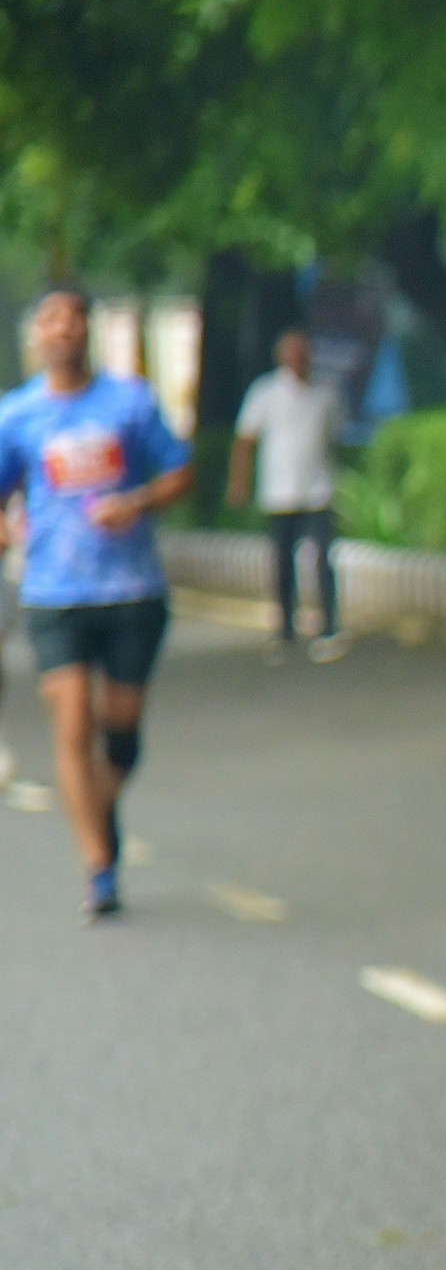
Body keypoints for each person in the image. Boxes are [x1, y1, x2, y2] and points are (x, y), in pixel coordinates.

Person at [0, 284, 194, 921]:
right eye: (51, 319)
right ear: (36, 334)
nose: (63, 328)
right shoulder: (16, 415)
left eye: (75, 317)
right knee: (73, 723)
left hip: (132, 591)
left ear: (88, 330)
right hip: (54, 594)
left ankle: (97, 805)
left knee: (121, 737)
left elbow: (179, 472)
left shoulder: (129, 402)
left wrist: (135, 503)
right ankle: (99, 869)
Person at [228, 326, 348, 660]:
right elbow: (246, 440)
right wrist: (239, 482)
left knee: (323, 559)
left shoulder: (326, 392)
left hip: (318, 488)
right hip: (280, 490)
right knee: (282, 561)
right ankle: (284, 629)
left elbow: (334, 436)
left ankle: (328, 625)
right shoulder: (265, 392)